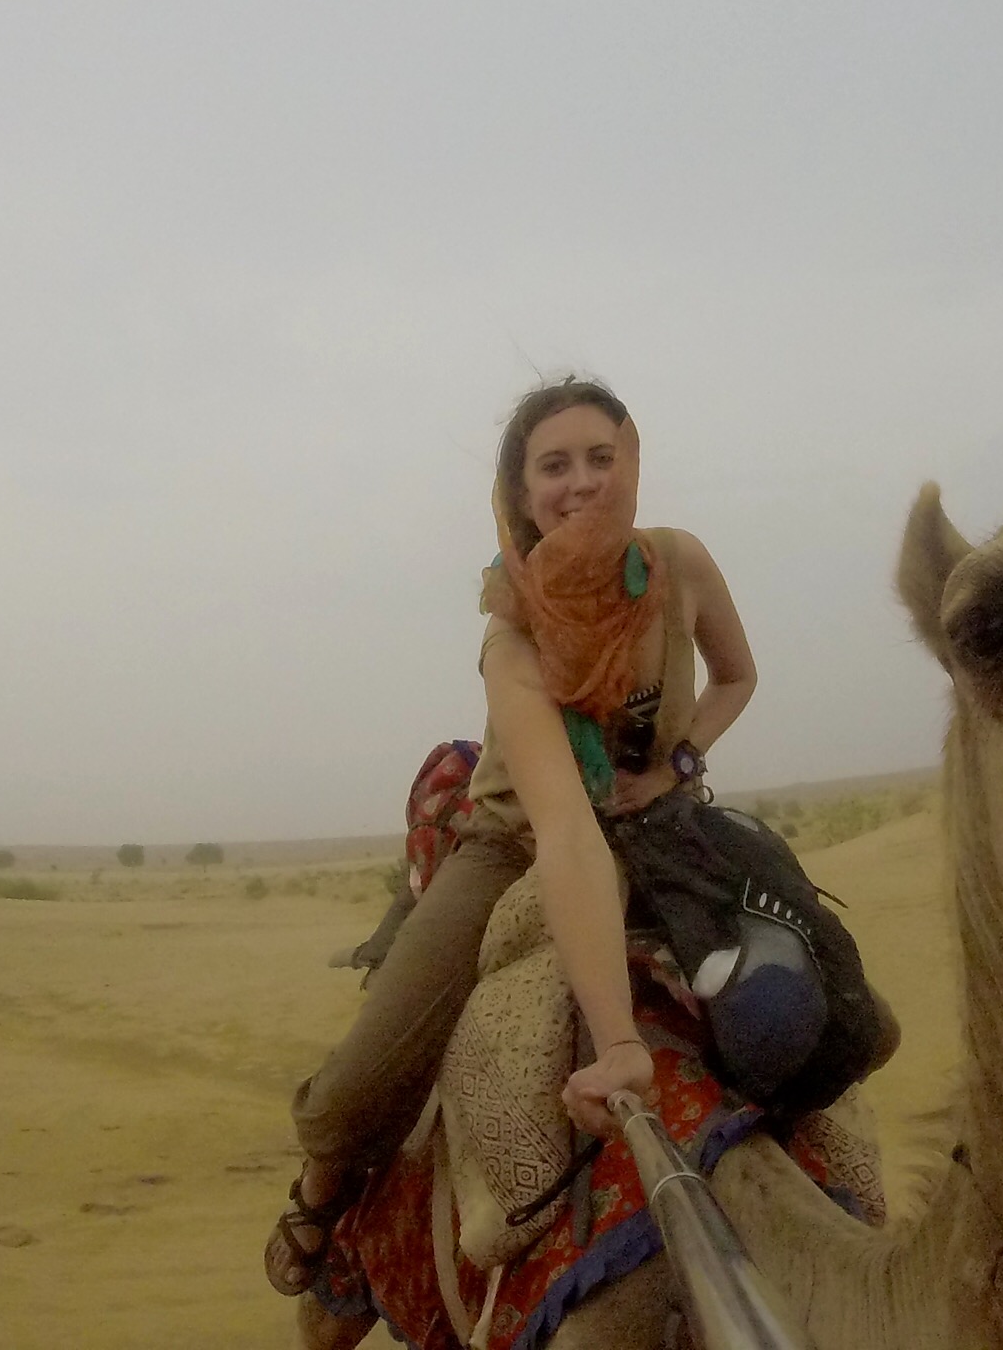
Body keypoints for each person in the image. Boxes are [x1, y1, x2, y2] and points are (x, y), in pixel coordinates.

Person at [265, 378, 757, 1297]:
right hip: (519, 844)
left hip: (663, 828)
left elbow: (737, 676)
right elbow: (566, 830)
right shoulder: (513, 633)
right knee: (359, 1089)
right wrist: (618, 1044)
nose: (583, 483)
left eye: (601, 458)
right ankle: (323, 1192)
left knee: (826, 1009)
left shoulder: (680, 564)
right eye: (555, 467)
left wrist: (679, 763)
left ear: (631, 463)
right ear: (523, 495)